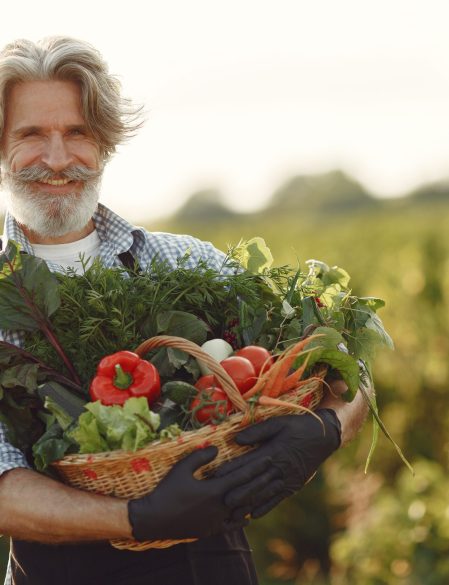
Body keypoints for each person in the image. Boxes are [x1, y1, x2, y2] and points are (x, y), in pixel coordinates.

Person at [0, 37, 372, 585]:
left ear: (104, 143)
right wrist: (136, 517)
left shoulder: (184, 261)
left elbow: (346, 370)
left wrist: (326, 430)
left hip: (212, 564)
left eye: (77, 132)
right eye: (31, 134)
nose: (57, 159)